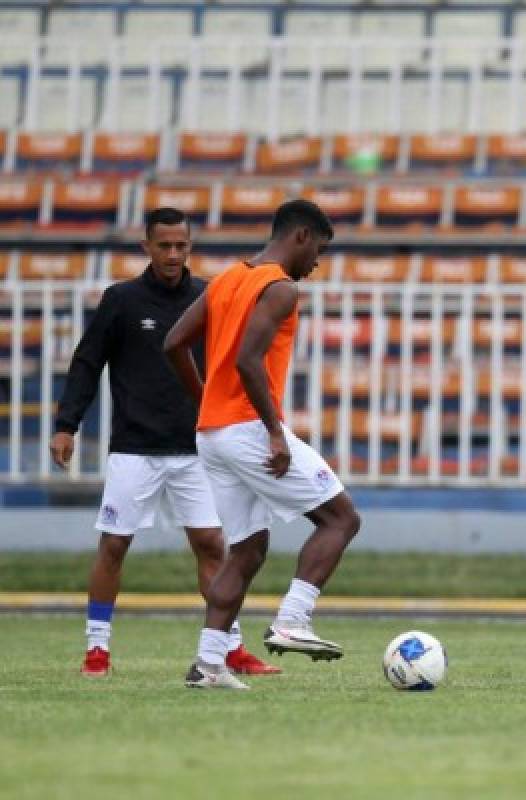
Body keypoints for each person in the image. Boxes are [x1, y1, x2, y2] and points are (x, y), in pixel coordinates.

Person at [51, 207, 277, 678]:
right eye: (165, 245)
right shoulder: (122, 300)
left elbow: (236, 364)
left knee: (213, 545)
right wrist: (66, 424)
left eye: (182, 246)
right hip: (134, 448)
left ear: (190, 247)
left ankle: (229, 648)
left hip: (196, 447)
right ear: (147, 247)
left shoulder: (209, 298)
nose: (173, 254)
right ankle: (97, 650)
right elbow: (87, 362)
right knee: (113, 546)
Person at [163, 199, 361, 690]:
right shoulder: (280, 288)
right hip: (251, 429)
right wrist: (274, 431)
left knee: (248, 549)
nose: (317, 261)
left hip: (213, 433)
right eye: (319, 249)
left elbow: (173, 343)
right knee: (340, 519)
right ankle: (294, 619)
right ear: (300, 236)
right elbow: (251, 359)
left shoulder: (228, 278)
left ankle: (208, 664)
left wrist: (207, 399)